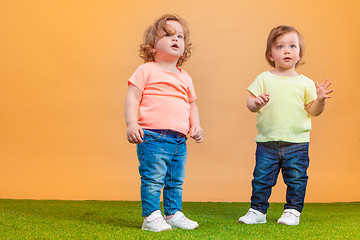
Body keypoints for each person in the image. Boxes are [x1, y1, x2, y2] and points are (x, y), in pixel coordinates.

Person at [238, 25, 334, 226]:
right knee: (261, 179)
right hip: (267, 142)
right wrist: (257, 102)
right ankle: (257, 210)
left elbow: (312, 111)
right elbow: (250, 103)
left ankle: (292, 211)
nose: (287, 50)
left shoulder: (305, 83)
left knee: (297, 179)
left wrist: (320, 100)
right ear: (270, 55)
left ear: (299, 54)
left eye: (292, 46)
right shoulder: (263, 78)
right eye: (280, 47)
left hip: (297, 143)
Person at [125, 14, 203, 232]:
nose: (175, 38)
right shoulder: (146, 70)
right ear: (152, 47)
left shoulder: (185, 77)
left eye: (179, 35)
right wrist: (132, 123)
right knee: (153, 179)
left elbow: (192, 104)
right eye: (168, 35)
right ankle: (150, 216)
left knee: (175, 179)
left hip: (179, 139)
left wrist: (195, 125)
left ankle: (172, 213)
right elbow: (133, 97)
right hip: (152, 136)